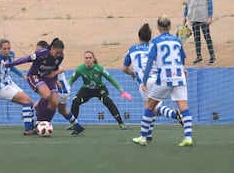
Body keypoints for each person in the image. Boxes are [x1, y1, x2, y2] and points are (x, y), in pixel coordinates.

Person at [132, 14, 193, 147]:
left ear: (158, 28)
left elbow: (149, 62)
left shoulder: (155, 41)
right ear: (170, 26)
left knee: (149, 106)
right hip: (179, 76)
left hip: (164, 77)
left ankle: (143, 137)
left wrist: (144, 80)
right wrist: (183, 68)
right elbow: (182, 57)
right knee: (184, 108)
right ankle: (188, 137)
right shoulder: (177, 41)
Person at [122, 23, 183, 142]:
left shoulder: (132, 49)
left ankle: (175, 115)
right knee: (151, 105)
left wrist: (132, 73)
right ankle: (148, 134)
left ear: (139, 37)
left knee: (153, 108)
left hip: (146, 82)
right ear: (150, 37)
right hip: (159, 79)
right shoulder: (155, 46)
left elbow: (124, 69)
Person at [3, 37, 65, 126]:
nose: (59, 54)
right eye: (57, 52)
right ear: (52, 48)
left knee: (54, 102)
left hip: (47, 77)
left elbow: (54, 68)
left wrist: (55, 80)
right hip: (35, 76)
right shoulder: (41, 54)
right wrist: (8, 65)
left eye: (60, 52)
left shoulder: (60, 57)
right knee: (47, 95)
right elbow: (24, 59)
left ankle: (45, 123)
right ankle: (39, 123)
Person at [68, 50, 132, 130]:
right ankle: (73, 124)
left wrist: (122, 91)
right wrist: (66, 88)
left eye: (90, 57)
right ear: (84, 59)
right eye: (86, 58)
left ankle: (121, 123)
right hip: (86, 90)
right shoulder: (80, 69)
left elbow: (111, 79)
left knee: (107, 101)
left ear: (93, 59)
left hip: (100, 89)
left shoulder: (99, 68)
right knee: (75, 101)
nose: (88, 59)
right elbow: (71, 80)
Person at [33, 40, 85, 136]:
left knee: (38, 106)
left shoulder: (52, 59)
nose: (36, 53)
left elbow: (61, 69)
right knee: (62, 110)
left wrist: (53, 74)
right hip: (64, 91)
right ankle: (78, 126)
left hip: (59, 90)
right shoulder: (46, 60)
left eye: (38, 50)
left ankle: (39, 125)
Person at [0, 38, 36, 135]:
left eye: (8, 48)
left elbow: (11, 66)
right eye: (4, 49)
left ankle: (33, 126)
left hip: (9, 83)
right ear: (0, 49)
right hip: (1, 88)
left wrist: (23, 76)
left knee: (29, 102)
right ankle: (27, 130)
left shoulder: (11, 55)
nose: (7, 51)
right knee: (25, 101)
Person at [183, 0, 216, 65]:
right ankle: (199, 57)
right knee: (196, 37)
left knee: (207, 36)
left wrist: (210, 16)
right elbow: (187, 3)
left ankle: (212, 56)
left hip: (203, 17)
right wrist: (185, 15)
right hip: (194, 17)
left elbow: (210, 3)